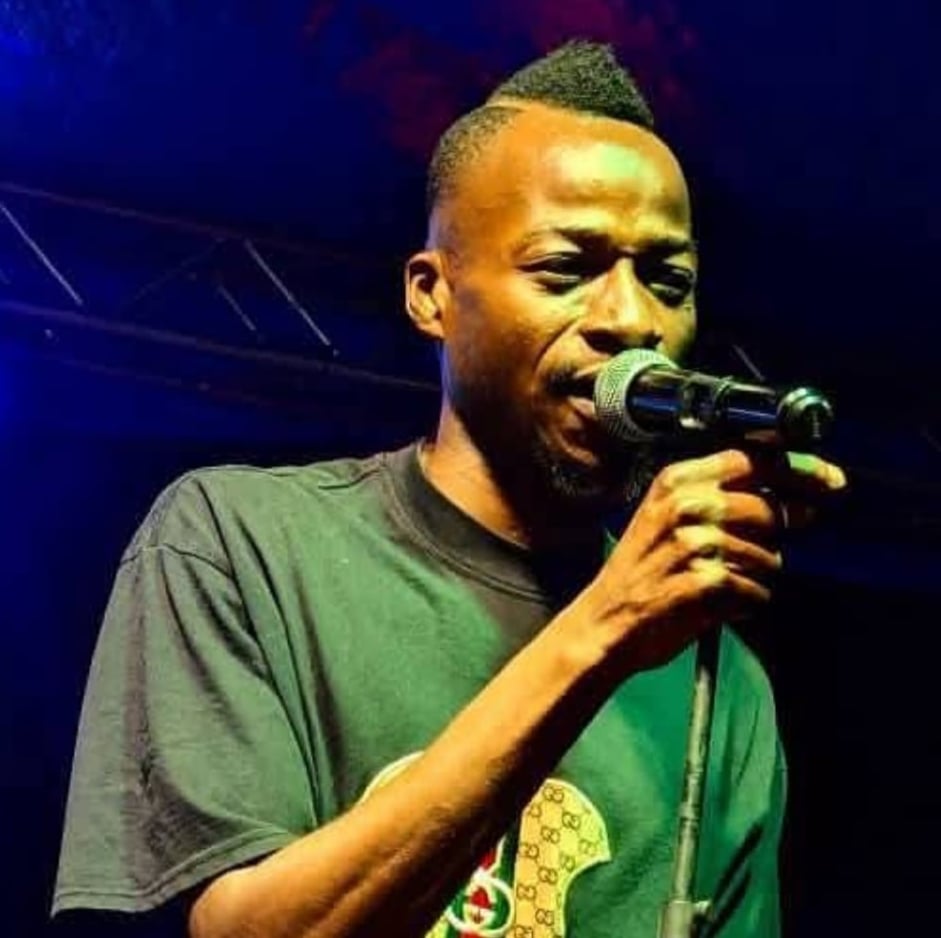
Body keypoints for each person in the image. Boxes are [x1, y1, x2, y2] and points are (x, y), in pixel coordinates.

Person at [53, 41, 846, 938]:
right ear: (432, 295)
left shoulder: (720, 678)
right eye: (565, 269)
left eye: (668, 282)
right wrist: (605, 628)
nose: (631, 320)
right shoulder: (240, 540)